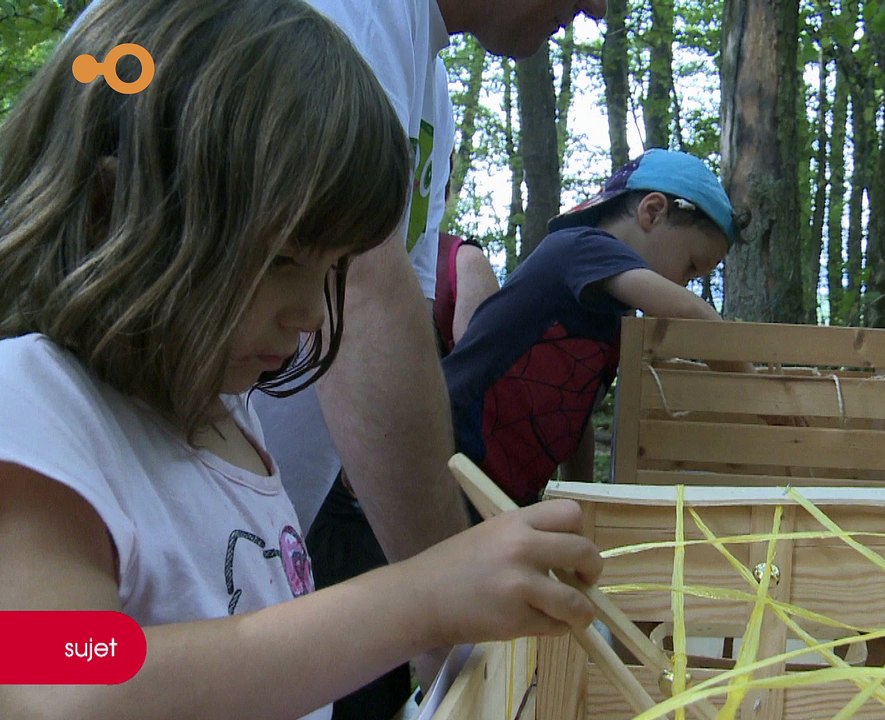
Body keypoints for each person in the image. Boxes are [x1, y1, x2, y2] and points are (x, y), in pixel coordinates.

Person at [0, 3, 601, 719]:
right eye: (282, 259)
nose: (313, 314)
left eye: (333, 270)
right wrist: (417, 600)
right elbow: (54, 671)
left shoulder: (232, 424)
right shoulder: (32, 408)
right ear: (112, 210)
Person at [444, 148, 746, 508]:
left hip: (495, 491)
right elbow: (688, 312)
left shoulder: (613, 321)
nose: (685, 283)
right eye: (691, 265)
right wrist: (754, 380)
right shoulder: (581, 248)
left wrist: (582, 503)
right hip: (443, 449)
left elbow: (575, 416)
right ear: (652, 211)